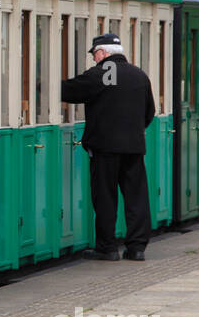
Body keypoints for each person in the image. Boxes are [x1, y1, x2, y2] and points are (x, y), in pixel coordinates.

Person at [61, 32, 156, 262]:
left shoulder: (103, 74)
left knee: (105, 197)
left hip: (105, 148)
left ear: (103, 53)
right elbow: (149, 112)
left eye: (94, 54)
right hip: (133, 148)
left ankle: (108, 248)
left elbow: (69, 91)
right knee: (136, 197)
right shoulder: (139, 75)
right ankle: (137, 248)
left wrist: (41, 83)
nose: (94, 59)